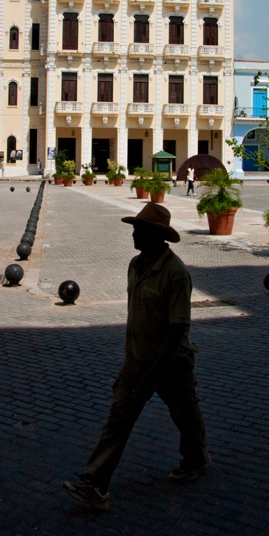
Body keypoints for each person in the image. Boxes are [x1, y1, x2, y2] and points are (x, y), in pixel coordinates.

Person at [63, 203, 210, 511]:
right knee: (118, 417)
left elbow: (178, 328)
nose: (132, 234)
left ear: (155, 235)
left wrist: (153, 375)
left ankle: (196, 459)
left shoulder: (175, 274)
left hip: (171, 363)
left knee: (185, 414)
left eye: (138, 230)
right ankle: (95, 482)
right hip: (136, 359)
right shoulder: (135, 265)